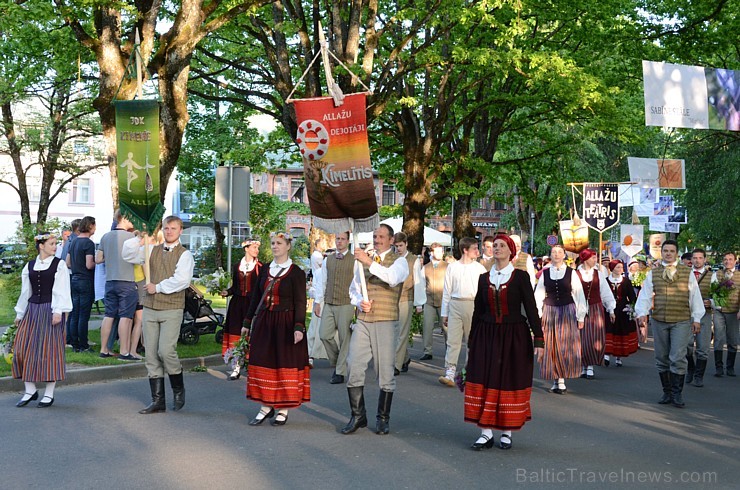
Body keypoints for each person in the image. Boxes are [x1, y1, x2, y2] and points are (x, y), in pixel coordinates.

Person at [465, 234, 543, 451]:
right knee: (485, 377)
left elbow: (531, 308)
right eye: (495, 246)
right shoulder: (483, 278)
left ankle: (507, 432)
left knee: (507, 379)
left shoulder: (520, 277)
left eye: (501, 245)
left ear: (511, 251)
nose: (497, 248)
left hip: (513, 335)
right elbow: (478, 311)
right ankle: (486, 432)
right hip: (486, 333)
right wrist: (472, 339)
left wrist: (539, 339)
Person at [123, 216, 195, 414]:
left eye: (173, 228)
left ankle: (178, 389)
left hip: (172, 308)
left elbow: (181, 280)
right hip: (150, 307)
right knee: (151, 354)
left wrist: (158, 287)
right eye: (166, 228)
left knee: (166, 351)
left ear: (181, 230)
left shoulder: (184, 255)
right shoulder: (151, 250)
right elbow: (128, 254)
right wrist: (139, 237)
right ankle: (158, 401)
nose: (169, 231)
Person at [342, 224, 409, 435]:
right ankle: (358, 415)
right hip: (364, 319)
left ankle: (383, 418)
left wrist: (369, 262)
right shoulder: (363, 262)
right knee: (353, 364)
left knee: (385, 370)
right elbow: (353, 289)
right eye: (375, 236)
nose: (377, 239)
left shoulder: (400, 262)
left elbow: (391, 278)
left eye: (381, 236)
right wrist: (360, 301)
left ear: (391, 240)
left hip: (386, 321)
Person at [242, 231, 309, 426]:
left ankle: (283, 408)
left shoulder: (296, 272)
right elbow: (255, 297)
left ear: (288, 246)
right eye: (272, 243)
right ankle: (265, 405)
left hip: (285, 323)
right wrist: (247, 322)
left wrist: (298, 326)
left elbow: (300, 301)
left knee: (283, 364)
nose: (274, 246)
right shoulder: (264, 270)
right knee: (263, 362)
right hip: (265, 322)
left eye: (279, 243)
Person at [636, 240, 704, 408]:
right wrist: (642, 314)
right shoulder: (654, 273)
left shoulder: (687, 272)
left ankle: (677, 393)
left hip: (681, 320)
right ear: (662, 252)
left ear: (676, 253)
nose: (668, 253)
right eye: (665, 250)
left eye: (671, 251)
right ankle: (666, 392)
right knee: (661, 357)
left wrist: (696, 318)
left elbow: (695, 297)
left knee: (677, 357)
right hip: (659, 320)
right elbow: (645, 295)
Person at [12, 232, 72, 407]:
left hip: (50, 310)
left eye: (55, 243)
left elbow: (62, 290)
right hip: (31, 310)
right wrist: (19, 313)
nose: (55, 246)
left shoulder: (59, 265)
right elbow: (26, 292)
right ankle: (30, 390)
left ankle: (49, 393)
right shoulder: (30, 266)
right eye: (52, 244)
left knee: (49, 351)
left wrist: (58, 311)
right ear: (41, 245)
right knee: (22, 349)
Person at [534, 244, 587, 394]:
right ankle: (555, 378)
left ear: (564, 255)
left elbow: (579, 294)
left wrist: (581, 316)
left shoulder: (572, 273)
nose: (556, 254)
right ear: (550, 255)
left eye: (559, 252)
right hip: (550, 311)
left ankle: (561, 379)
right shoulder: (545, 274)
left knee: (564, 344)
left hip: (567, 311)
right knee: (551, 345)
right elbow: (538, 295)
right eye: (553, 252)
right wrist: (537, 314)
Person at [439, 237, 487, 386]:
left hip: (473, 304)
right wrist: (444, 313)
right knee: (453, 339)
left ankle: (469, 371)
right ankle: (450, 372)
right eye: (474, 248)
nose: (477, 251)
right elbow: (447, 290)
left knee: (471, 340)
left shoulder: (479, 268)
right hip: (455, 303)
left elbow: (485, 290)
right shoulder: (453, 267)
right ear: (465, 250)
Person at [96, 210, 138, 360]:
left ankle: (104, 349)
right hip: (127, 281)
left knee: (109, 315)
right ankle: (124, 351)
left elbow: (98, 259)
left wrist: (112, 257)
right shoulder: (132, 237)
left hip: (110, 281)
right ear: (125, 219)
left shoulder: (105, 236)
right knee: (125, 317)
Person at [315, 231, 355, 384]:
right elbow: (322, 282)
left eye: (342, 239)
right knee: (324, 334)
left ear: (348, 241)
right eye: (337, 238)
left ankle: (340, 372)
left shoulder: (354, 260)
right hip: (330, 302)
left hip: (346, 302)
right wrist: (318, 302)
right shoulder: (328, 260)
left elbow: (357, 284)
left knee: (345, 338)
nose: (339, 242)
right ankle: (338, 360)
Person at [220, 238, 262, 380]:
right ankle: (236, 367)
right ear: (246, 248)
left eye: (257, 247)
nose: (256, 250)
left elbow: (261, 289)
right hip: (237, 305)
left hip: (252, 305)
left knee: (252, 335)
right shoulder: (237, 266)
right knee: (236, 334)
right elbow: (235, 287)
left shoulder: (260, 267)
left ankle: (252, 365)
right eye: (254, 247)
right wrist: (227, 292)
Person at [575, 249, 616, 379]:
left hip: (595, 308)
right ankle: (583, 365)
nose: (595, 260)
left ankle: (590, 366)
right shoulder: (575, 274)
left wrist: (611, 309)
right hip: (579, 308)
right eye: (593, 258)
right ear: (586, 259)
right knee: (581, 337)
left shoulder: (598, 274)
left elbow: (605, 293)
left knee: (594, 337)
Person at [391, 232, 424, 375]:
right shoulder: (392, 259)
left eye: (400, 245)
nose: (398, 248)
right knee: (393, 331)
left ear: (406, 244)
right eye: (396, 246)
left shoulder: (413, 260)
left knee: (402, 332)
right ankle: (405, 358)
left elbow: (418, 281)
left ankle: (396, 365)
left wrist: (418, 303)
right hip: (393, 299)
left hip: (407, 297)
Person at [65, 216, 96, 353]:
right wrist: (99, 263)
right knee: (84, 314)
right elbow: (89, 264)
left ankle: (75, 343)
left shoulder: (73, 241)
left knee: (75, 313)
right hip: (85, 280)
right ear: (90, 226)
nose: (95, 228)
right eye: (94, 225)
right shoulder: (88, 243)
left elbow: (68, 263)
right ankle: (84, 344)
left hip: (74, 279)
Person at [683, 248, 713, 386]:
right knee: (686, 345)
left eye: (700, 258)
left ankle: (698, 376)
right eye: (694, 258)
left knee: (703, 347)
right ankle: (691, 368)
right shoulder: (684, 274)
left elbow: (721, 296)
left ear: (705, 259)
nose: (697, 260)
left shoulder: (713, 276)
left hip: (705, 314)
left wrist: (711, 302)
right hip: (687, 313)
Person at [604, 260, 638, 367]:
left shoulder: (625, 281)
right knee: (608, 329)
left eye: (621, 267)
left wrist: (633, 307)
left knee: (620, 331)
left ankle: (619, 357)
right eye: (618, 267)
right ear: (612, 268)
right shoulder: (606, 281)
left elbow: (632, 296)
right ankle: (606, 354)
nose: (620, 269)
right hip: (608, 309)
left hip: (622, 310)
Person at [417, 242, 448, 360]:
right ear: (432, 252)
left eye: (442, 251)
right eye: (438, 251)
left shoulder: (448, 266)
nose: (440, 253)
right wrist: (419, 304)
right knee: (427, 326)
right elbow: (421, 285)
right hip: (429, 300)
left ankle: (449, 349)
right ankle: (427, 351)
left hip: (444, 300)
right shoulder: (426, 267)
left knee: (446, 327)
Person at [711, 252, 739, 378]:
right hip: (719, 311)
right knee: (719, 338)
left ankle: (730, 367)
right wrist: (717, 304)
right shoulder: (717, 274)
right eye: (725, 259)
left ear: (735, 261)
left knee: (733, 340)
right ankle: (719, 367)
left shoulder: (739, 275)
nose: (727, 261)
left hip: (733, 311)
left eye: (730, 259)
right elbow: (713, 291)